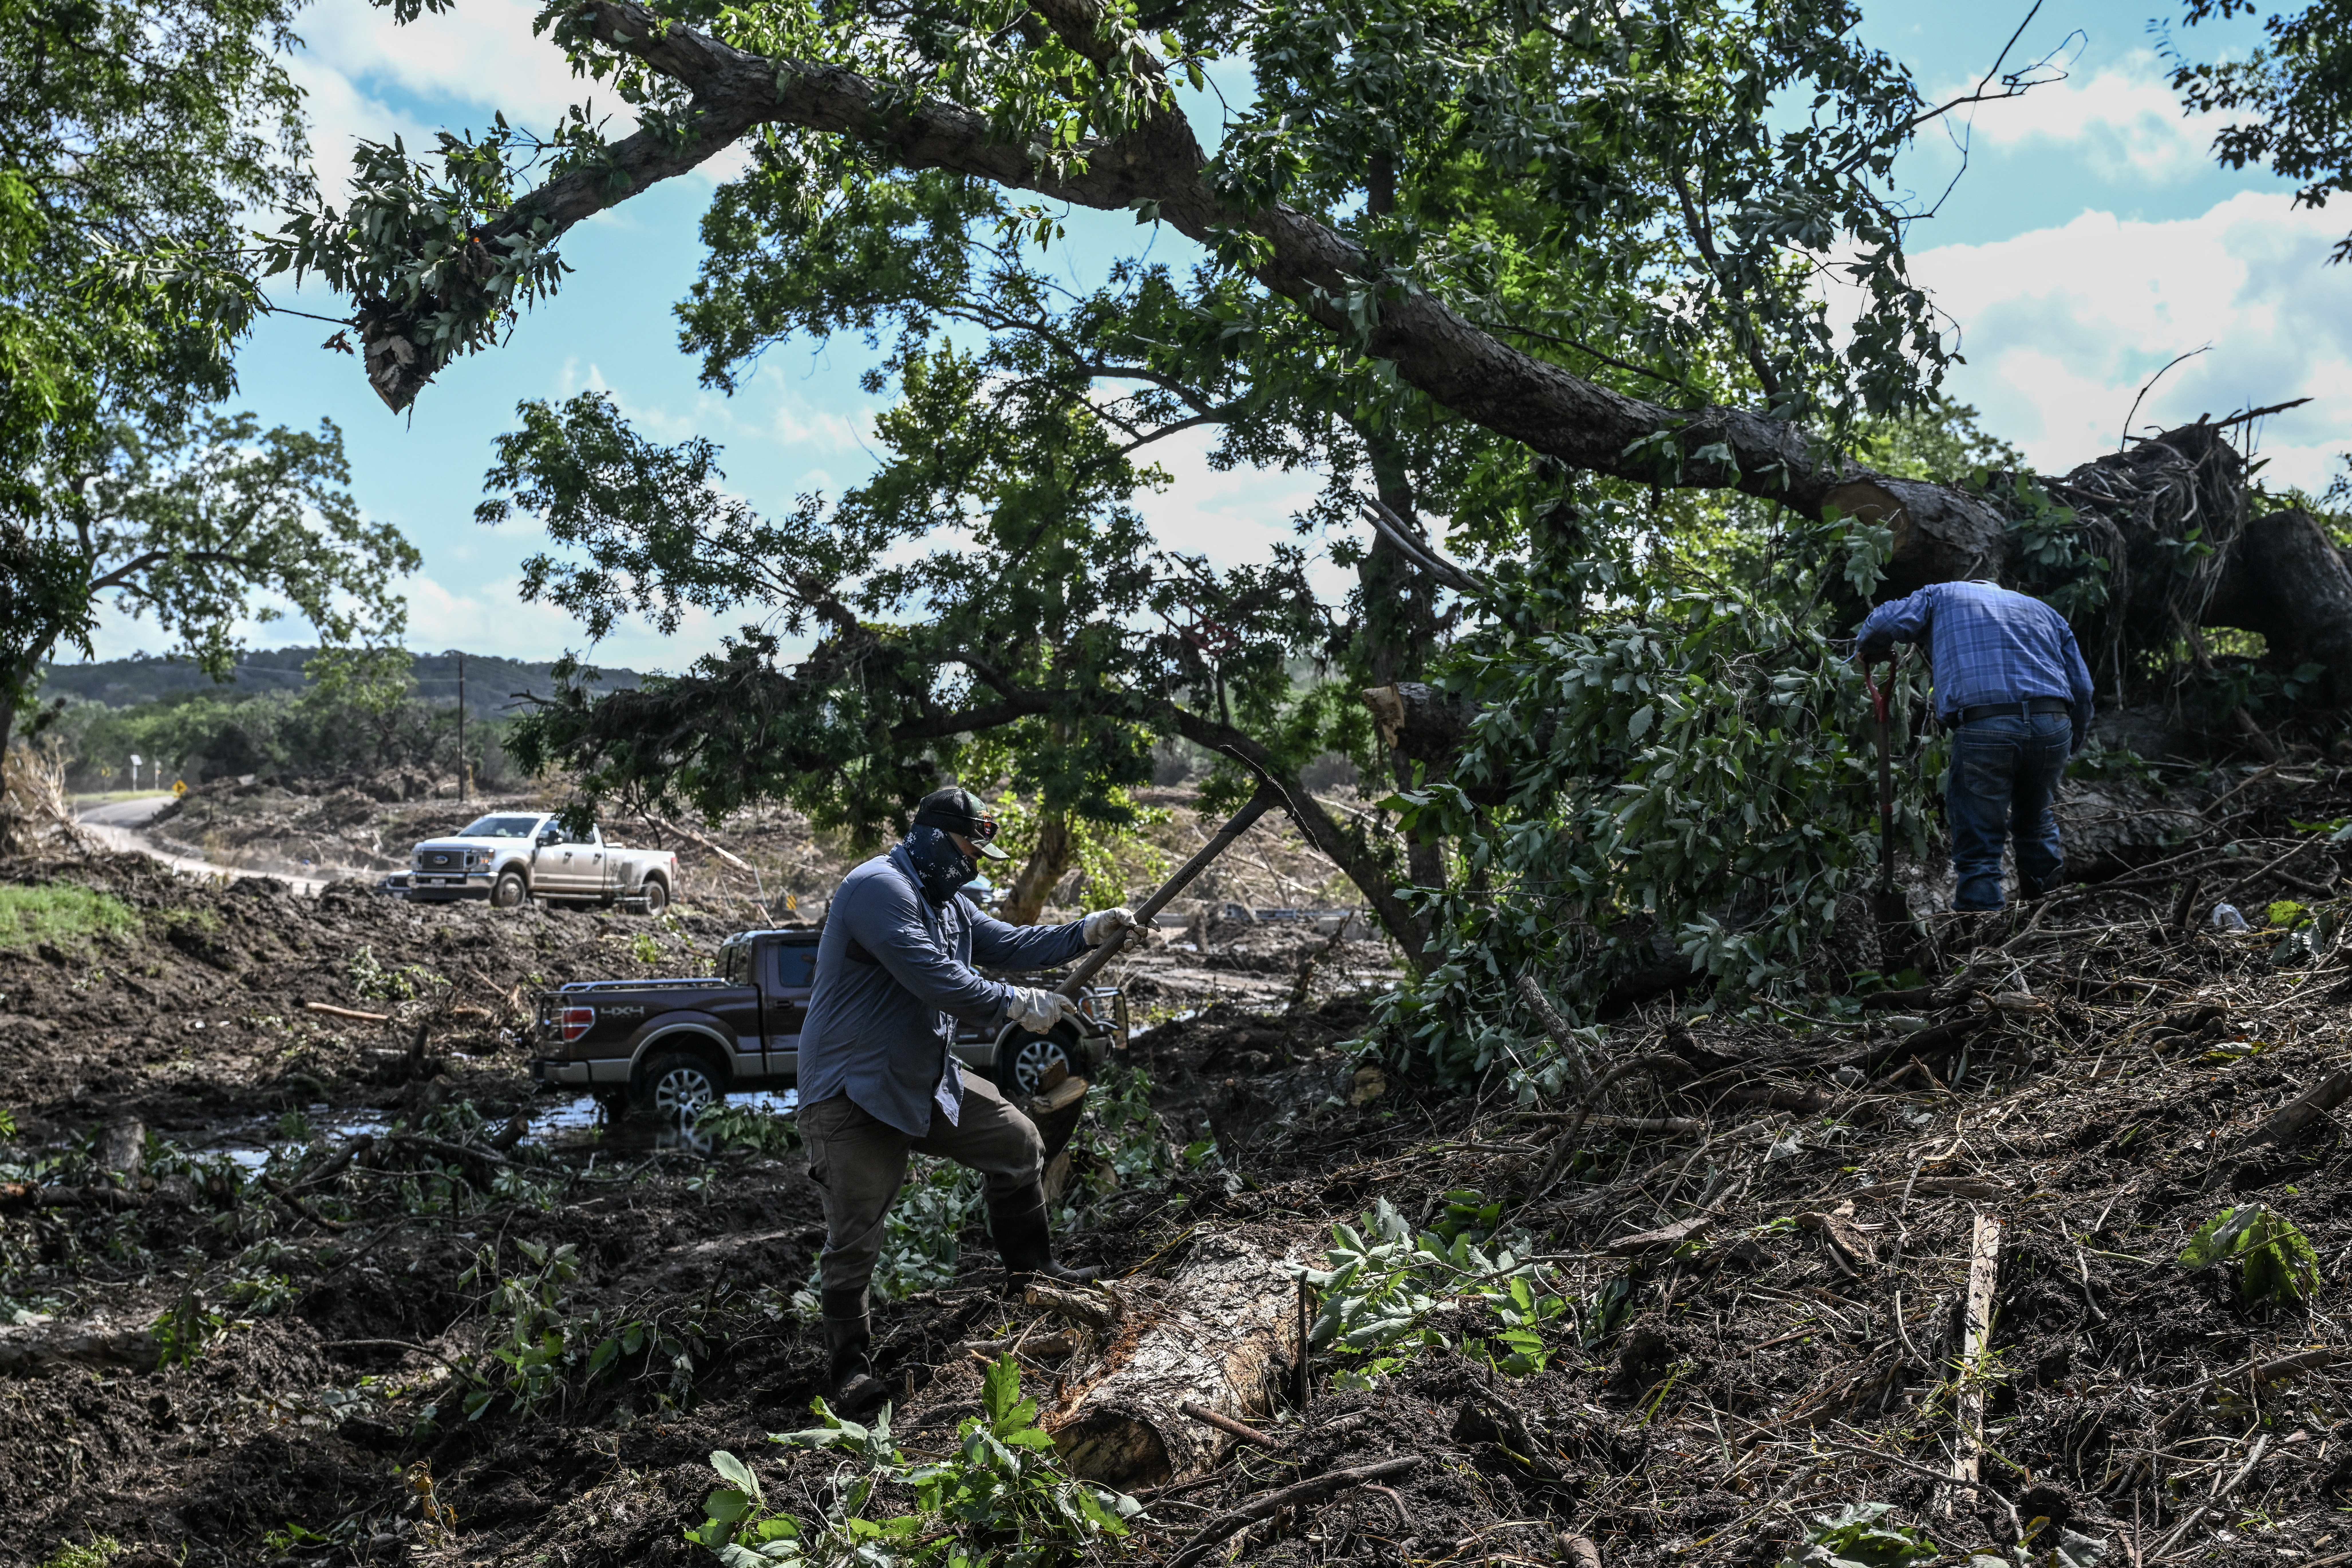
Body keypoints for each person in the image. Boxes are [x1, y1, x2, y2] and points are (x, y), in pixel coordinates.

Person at [796, 786, 1142, 1412]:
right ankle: (849, 1370)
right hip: (854, 1090)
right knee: (856, 1234)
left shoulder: (947, 902)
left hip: (923, 1076)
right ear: (935, 839)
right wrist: (1014, 1002)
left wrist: (1088, 931)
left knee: (1017, 1142)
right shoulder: (877, 889)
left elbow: (1011, 944)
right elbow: (934, 976)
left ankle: (1031, 1275)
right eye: (969, 847)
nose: (975, 862)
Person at [1854, 580, 2096, 911]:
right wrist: (2070, 742)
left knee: (1980, 842)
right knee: (2037, 824)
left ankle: (1982, 933)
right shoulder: (2044, 611)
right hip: (2051, 723)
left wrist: (1869, 648)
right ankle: (2048, 922)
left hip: (1986, 726)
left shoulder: (1941, 595)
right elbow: (2082, 688)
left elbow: (1884, 623)